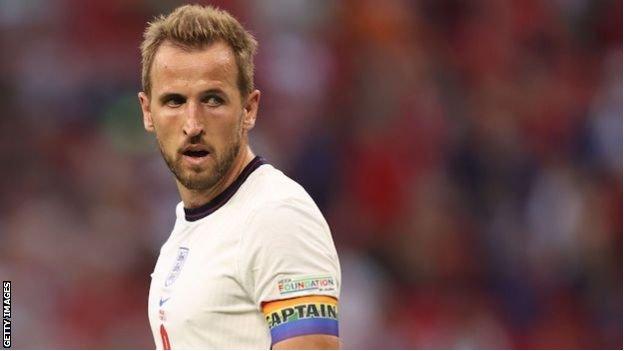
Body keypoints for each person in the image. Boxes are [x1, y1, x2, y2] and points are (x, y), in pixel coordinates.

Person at [137, 4, 341, 349]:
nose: (192, 124)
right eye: (174, 101)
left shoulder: (276, 215)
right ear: (147, 112)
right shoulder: (192, 225)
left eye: (213, 100)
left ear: (249, 110)